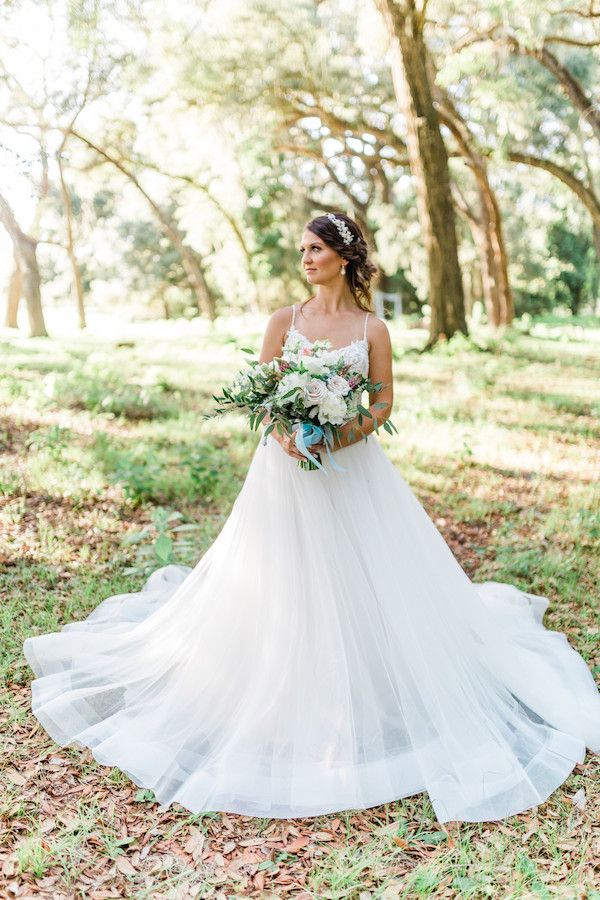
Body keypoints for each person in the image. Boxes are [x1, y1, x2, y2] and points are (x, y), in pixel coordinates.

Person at [23, 212, 600, 825]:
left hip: (353, 471)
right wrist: (290, 437)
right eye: (302, 248)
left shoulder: (372, 328)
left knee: (362, 572)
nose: (305, 258)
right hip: (282, 472)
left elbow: (382, 400)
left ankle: (369, 688)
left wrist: (339, 434)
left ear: (345, 258)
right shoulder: (284, 321)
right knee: (282, 571)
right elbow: (261, 393)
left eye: (316, 249)